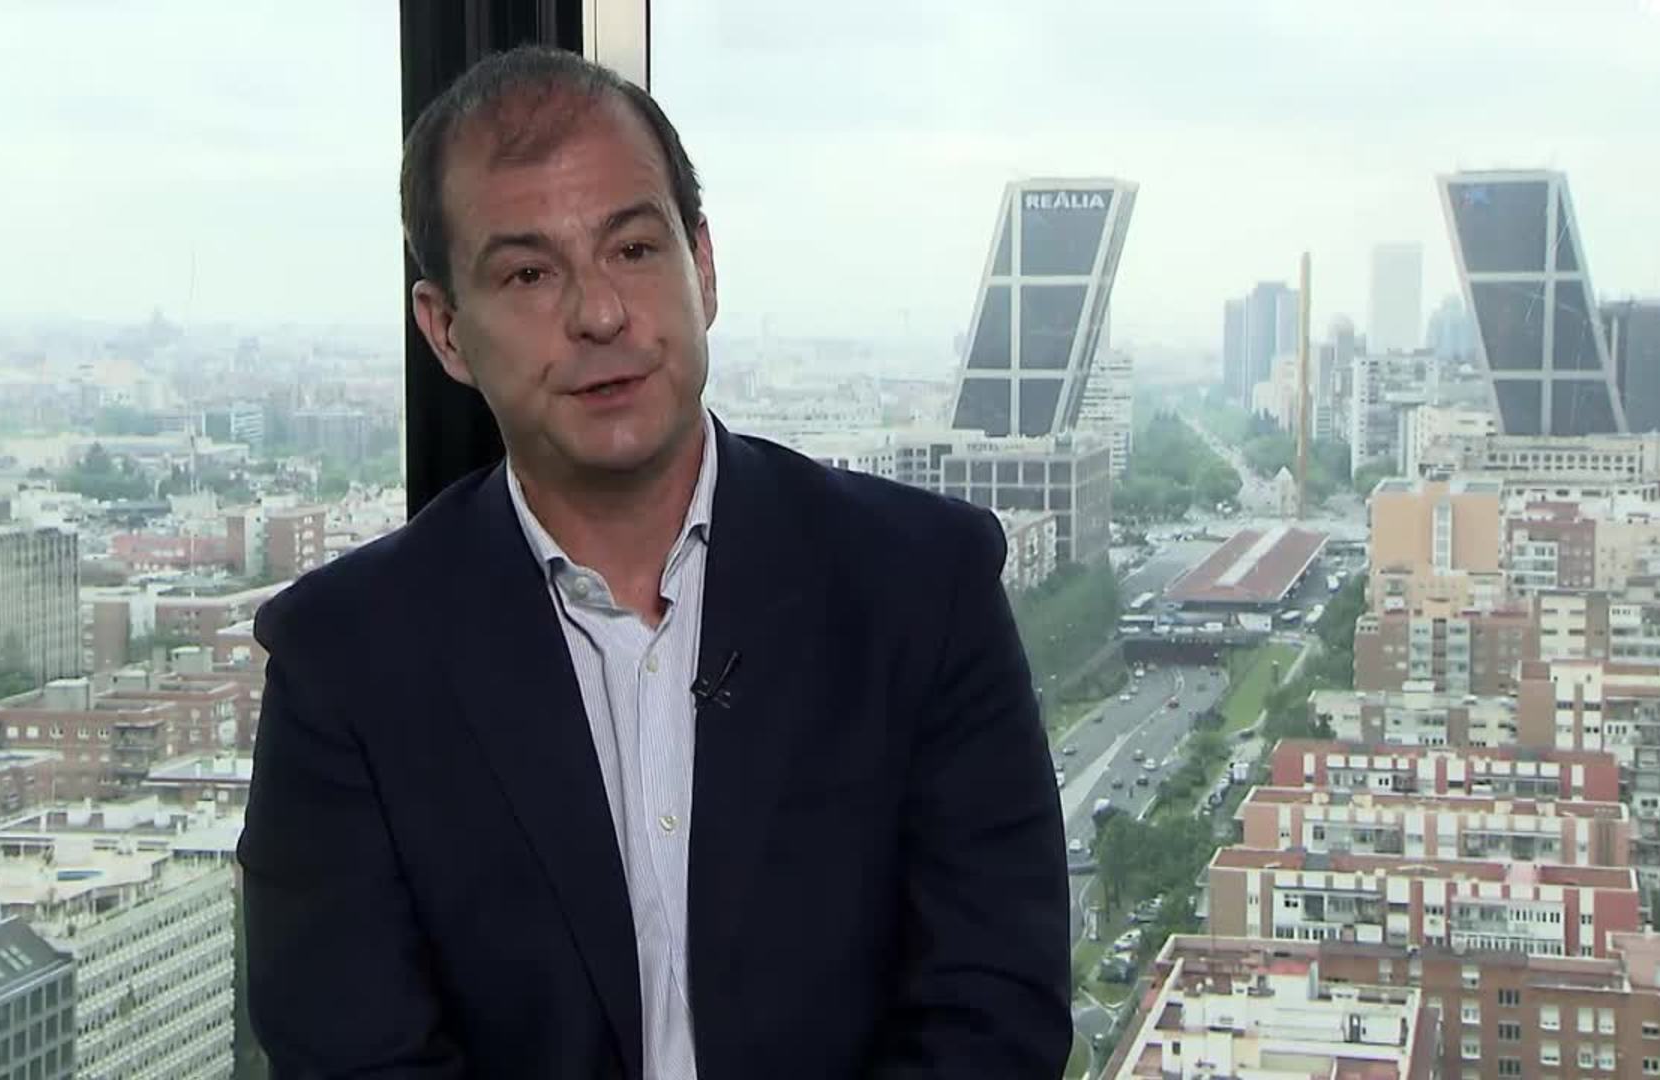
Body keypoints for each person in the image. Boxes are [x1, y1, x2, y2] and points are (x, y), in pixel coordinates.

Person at [238, 45, 1069, 1079]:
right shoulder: (344, 663)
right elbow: (355, 1059)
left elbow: (994, 1017)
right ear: (445, 332)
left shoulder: (922, 588)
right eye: (529, 273)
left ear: (702, 269)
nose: (600, 313)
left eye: (633, 249)